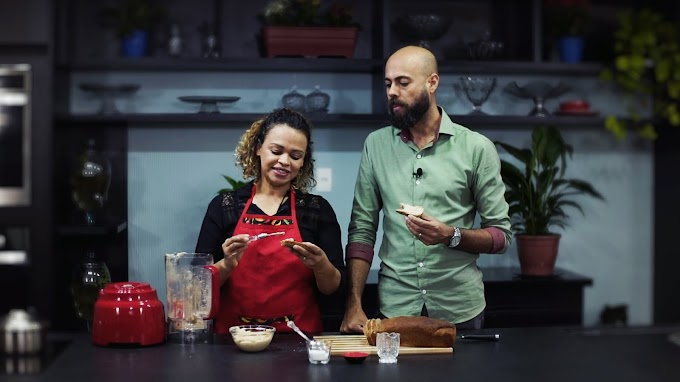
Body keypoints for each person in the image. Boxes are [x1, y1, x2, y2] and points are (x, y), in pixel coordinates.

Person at [340, 46, 512, 333]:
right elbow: (362, 230)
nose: (392, 91)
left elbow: (501, 237)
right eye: (388, 83)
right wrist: (353, 303)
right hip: (395, 308)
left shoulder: (476, 148)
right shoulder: (376, 145)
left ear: (432, 82)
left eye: (403, 82)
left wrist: (451, 236)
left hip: (460, 310)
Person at [195, 108, 346, 334]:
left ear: (303, 161)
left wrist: (321, 265)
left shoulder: (316, 210)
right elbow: (198, 286)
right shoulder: (225, 206)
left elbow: (332, 288)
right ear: (258, 148)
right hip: (234, 340)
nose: (284, 161)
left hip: (297, 339)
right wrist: (226, 264)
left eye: (295, 156)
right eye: (276, 151)